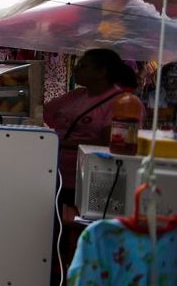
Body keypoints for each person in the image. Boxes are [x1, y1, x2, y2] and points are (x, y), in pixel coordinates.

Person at [45, 49, 140, 215]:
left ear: (101, 72)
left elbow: (109, 144)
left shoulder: (121, 103)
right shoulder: (75, 95)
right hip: (54, 174)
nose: (75, 70)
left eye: (82, 66)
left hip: (89, 180)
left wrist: (58, 142)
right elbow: (45, 114)